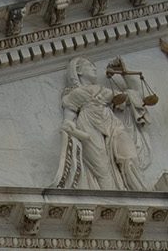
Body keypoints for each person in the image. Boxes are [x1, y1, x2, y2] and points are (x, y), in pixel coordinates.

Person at [55, 56, 149, 190]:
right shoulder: (75, 94)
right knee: (103, 170)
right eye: (89, 65)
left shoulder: (104, 90)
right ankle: (112, 204)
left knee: (129, 156)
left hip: (112, 124)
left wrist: (124, 73)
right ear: (78, 71)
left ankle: (141, 191)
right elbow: (67, 122)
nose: (94, 68)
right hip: (88, 126)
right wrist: (78, 133)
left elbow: (135, 97)